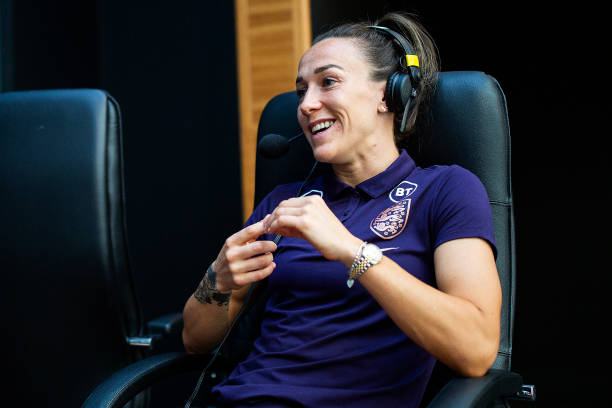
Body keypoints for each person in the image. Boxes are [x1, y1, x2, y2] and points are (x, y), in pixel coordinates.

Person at [182, 11, 502, 408]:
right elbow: (195, 340)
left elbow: (475, 350)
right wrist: (219, 278)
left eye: (327, 82)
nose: (307, 104)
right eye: (302, 91)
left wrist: (352, 251)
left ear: (390, 94)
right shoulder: (286, 202)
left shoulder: (445, 190)